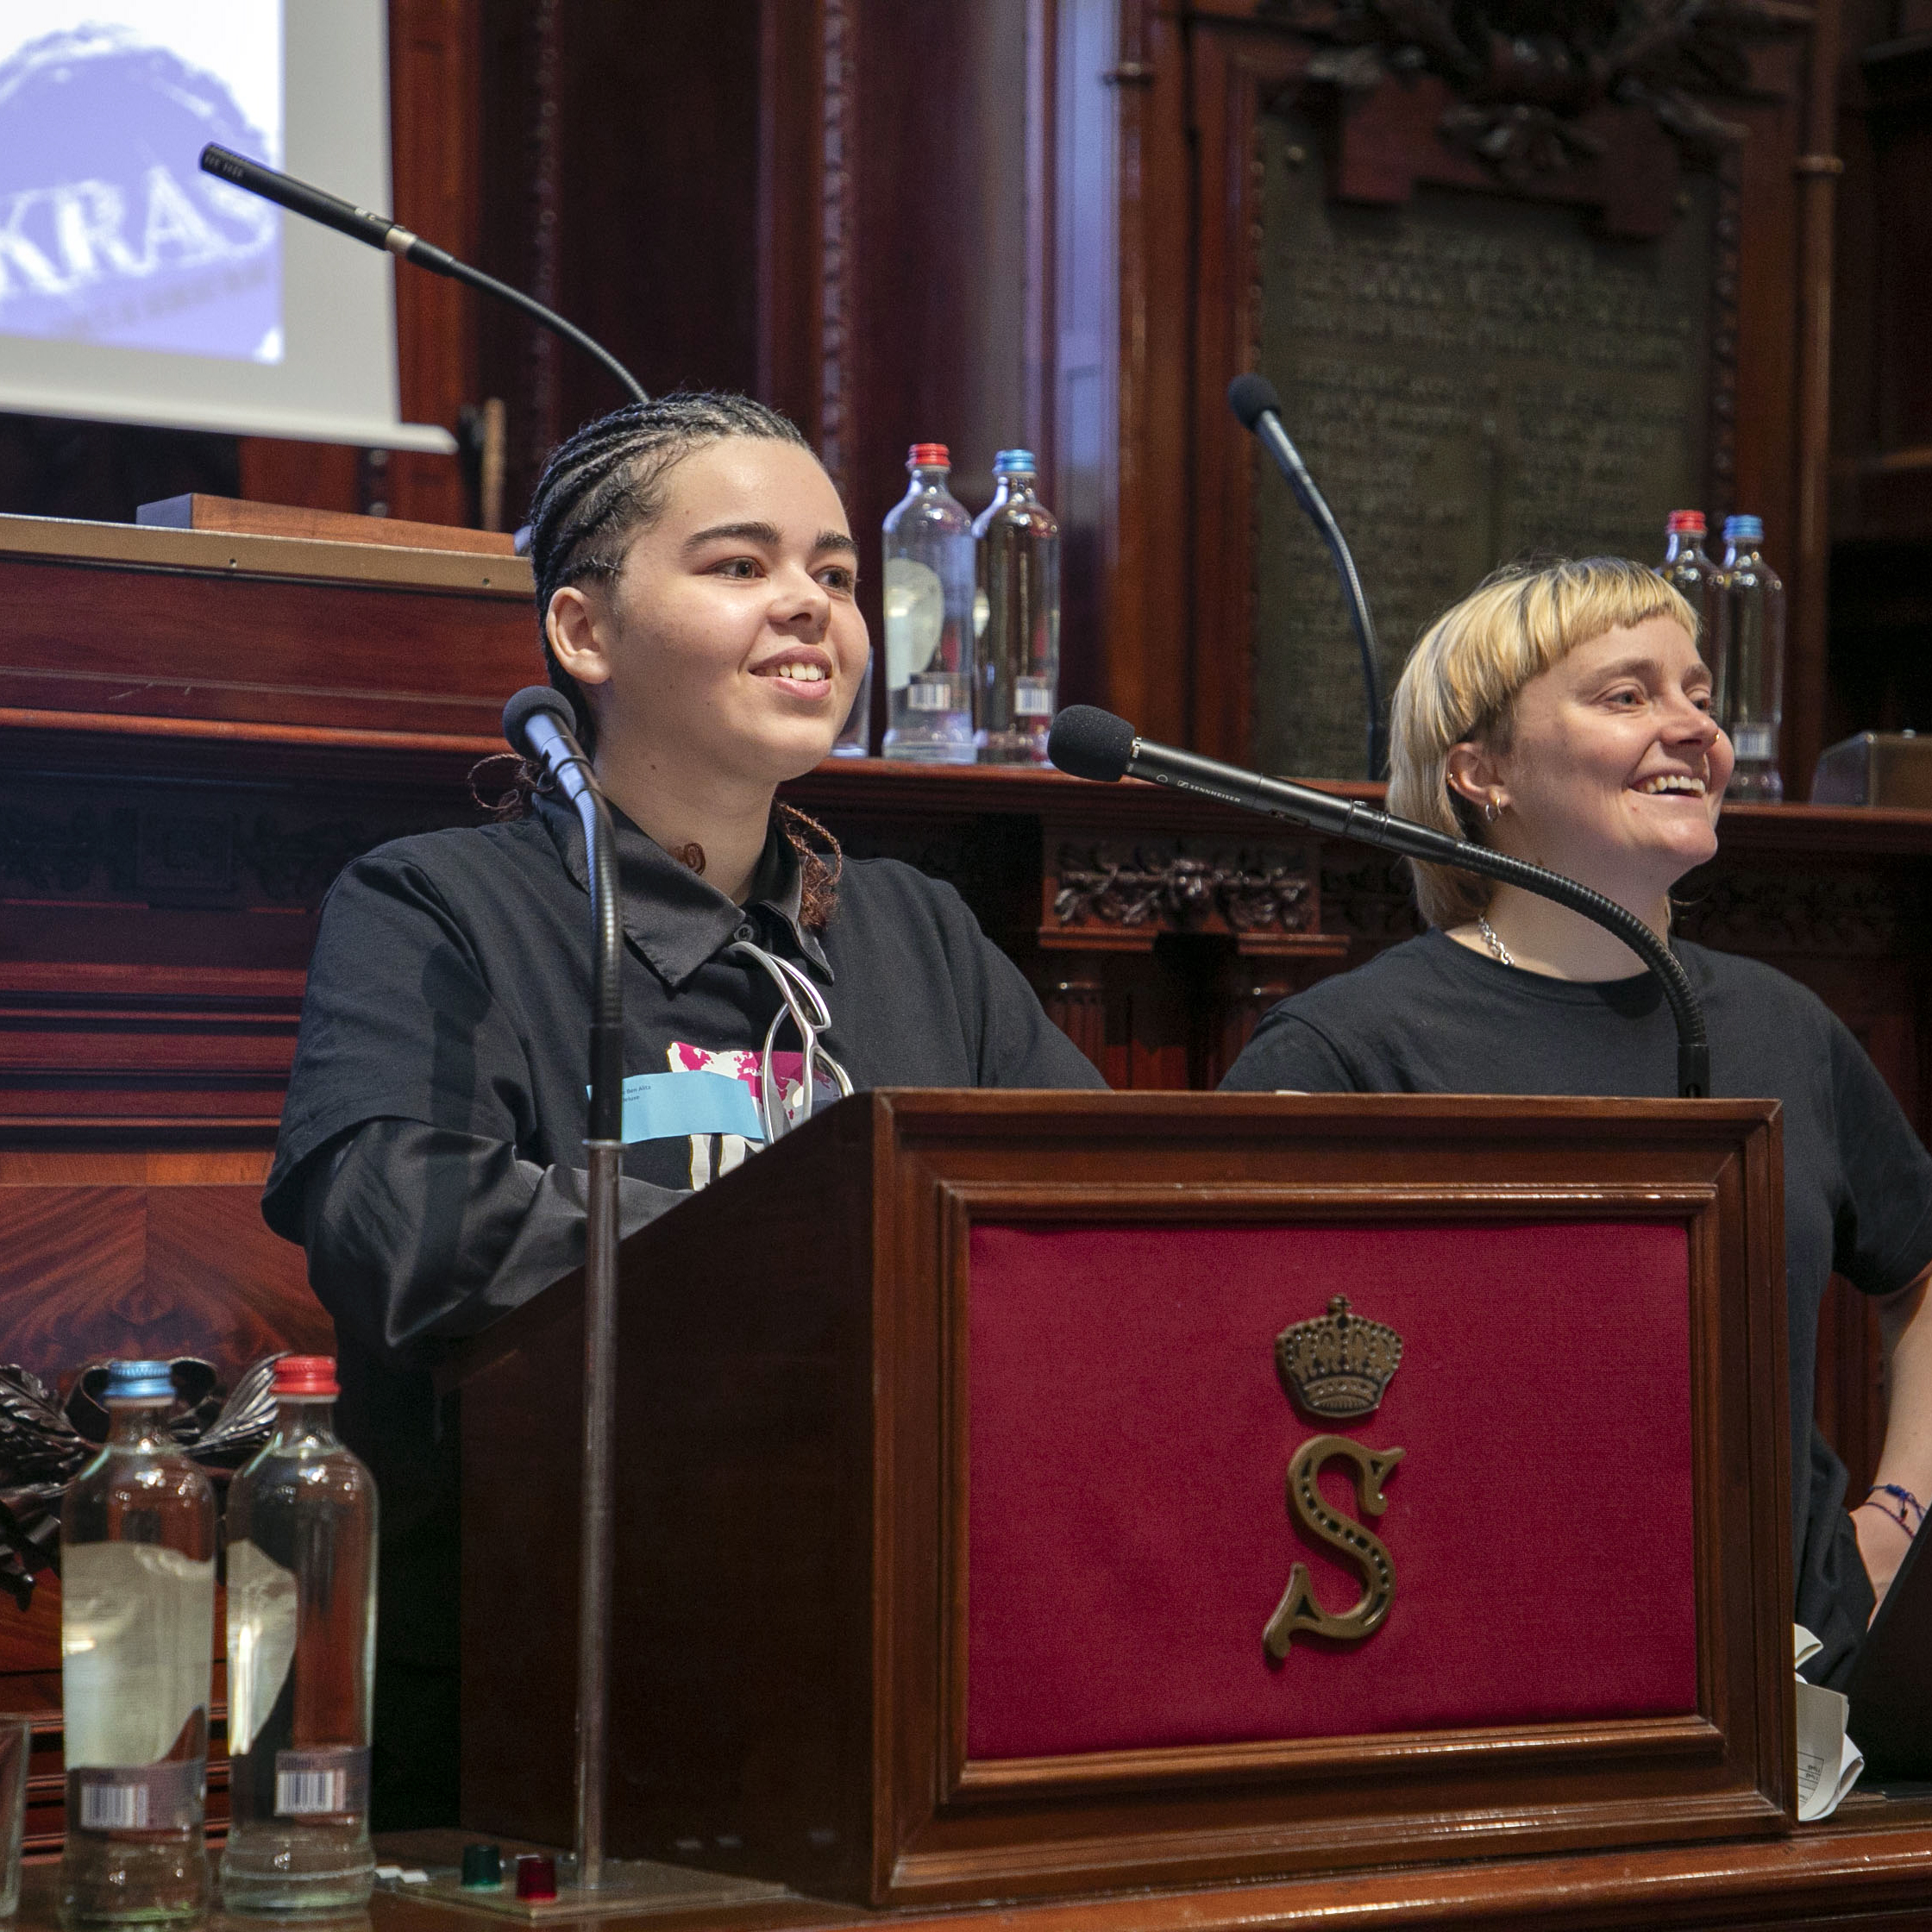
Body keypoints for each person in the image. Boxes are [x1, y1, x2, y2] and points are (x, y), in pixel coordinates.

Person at [260, 393, 1105, 1825]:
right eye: (739, 567)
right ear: (584, 635)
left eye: (836, 575)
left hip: (887, 1677)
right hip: (527, 1707)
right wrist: (828, 1264)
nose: (811, 612)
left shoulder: (919, 935)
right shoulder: (437, 908)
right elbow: (406, 1222)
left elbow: (1083, 1222)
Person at [1221, 557, 1932, 1685]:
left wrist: (1897, 1520)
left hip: (1793, 1681)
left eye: (1698, 693)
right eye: (1628, 694)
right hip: (1477, 1686)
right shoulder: (1345, 1051)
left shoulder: (1782, 1024)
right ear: (1481, 771)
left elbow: (1921, 1267)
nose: (1695, 727)